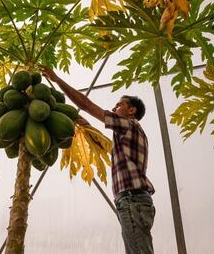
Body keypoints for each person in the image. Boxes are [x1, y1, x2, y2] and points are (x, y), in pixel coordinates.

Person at [41, 66, 156, 254]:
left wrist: (57, 80)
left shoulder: (129, 125)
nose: (113, 108)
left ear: (131, 110)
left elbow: (87, 105)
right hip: (133, 201)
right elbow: (107, 148)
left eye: (119, 105)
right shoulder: (128, 135)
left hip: (132, 200)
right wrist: (81, 122)